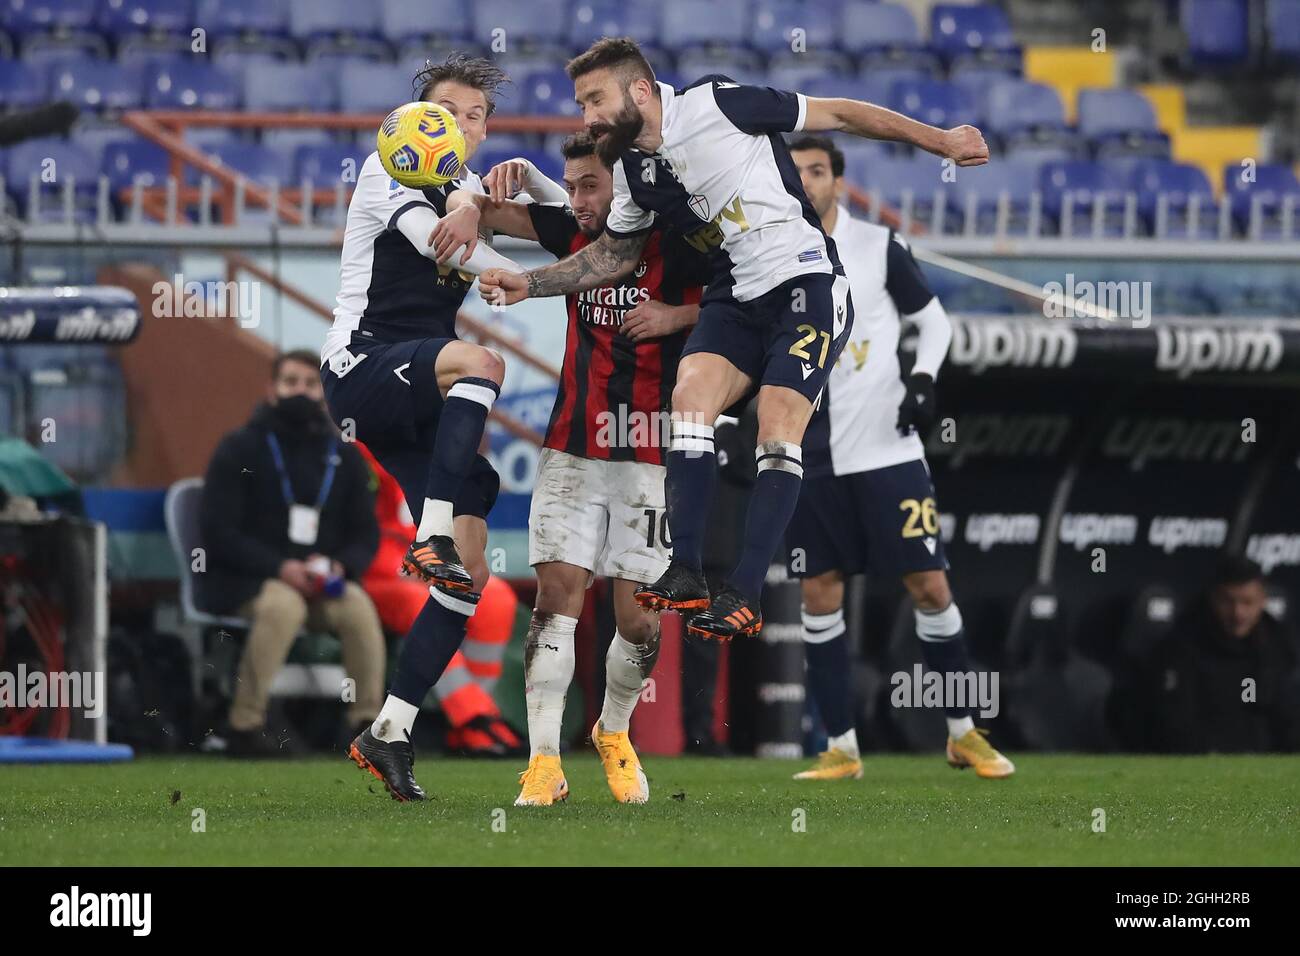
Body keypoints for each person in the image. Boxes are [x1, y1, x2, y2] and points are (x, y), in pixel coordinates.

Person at [479, 36, 988, 641]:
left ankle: (744, 590)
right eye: (581, 103)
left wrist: (944, 142)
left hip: (805, 283)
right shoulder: (637, 171)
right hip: (735, 293)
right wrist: (528, 283)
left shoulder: (719, 105)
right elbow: (611, 255)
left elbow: (841, 113)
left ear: (640, 90)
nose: (586, 117)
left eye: (595, 99)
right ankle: (687, 571)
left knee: (777, 422)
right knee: (689, 402)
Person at [432, 131, 709, 804]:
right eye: (573, 185)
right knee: (556, 598)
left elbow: (742, 306)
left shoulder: (679, 240)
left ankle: (612, 731)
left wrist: (678, 314)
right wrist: (473, 203)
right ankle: (544, 761)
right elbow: (486, 210)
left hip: (651, 453)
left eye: (592, 186)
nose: (580, 201)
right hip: (571, 447)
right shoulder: (571, 230)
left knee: (640, 619)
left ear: (628, 190)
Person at [320, 53, 531, 800]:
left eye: (473, 116)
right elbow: (441, 243)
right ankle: (429, 531)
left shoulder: (469, 186)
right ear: (413, 119)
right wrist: (509, 270)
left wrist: (525, 183)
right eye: (443, 111)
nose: (456, 126)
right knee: (483, 363)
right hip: (361, 367)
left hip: (414, 389)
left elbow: (559, 223)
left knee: (469, 579)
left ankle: (390, 731)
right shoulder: (389, 170)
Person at [781, 136, 1014, 780]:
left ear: (838, 181)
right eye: (796, 172)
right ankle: (840, 748)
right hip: (812, 454)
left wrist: (924, 380)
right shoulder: (771, 254)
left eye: (819, 171)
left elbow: (934, 322)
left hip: (887, 449)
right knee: (819, 593)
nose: (807, 182)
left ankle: (963, 731)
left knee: (930, 585)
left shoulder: (878, 247)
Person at [198, 349, 384, 757]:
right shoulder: (239, 448)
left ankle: (368, 728)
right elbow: (218, 532)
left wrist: (341, 566)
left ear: (324, 391)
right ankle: (244, 726)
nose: (301, 392)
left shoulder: (343, 455)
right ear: (272, 390)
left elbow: (365, 531)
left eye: (310, 384)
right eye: (291, 383)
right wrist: (279, 567)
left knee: (356, 605)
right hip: (245, 579)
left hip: (318, 583)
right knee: (283, 606)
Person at [354, 441, 522, 756]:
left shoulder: (437, 442)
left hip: (423, 560)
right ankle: (473, 716)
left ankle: (473, 722)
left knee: (496, 597)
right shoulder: (361, 444)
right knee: (426, 600)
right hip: (375, 572)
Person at [1124, 555, 1299, 752]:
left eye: (1247, 602)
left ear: (1262, 601)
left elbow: (1289, 715)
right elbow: (1174, 721)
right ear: (1213, 598)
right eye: (1228, 602)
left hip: (1266, 765)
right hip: (1202, 764)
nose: (1237, 613)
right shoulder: (1182, 644)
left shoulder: (1277, 644)